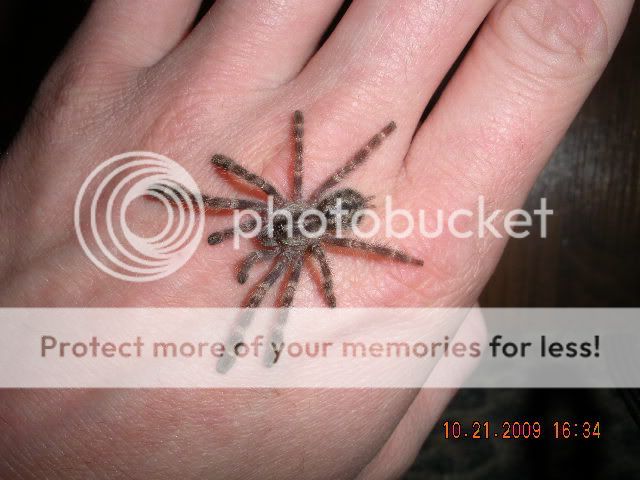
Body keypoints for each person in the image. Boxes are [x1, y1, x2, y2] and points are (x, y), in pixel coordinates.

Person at [0, 0, 634, 478]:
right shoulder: (281, 220)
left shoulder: (300, 239)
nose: (263, 232)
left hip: (326, 212)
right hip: (315, 211)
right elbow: (263, 184)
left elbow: (306, 209)